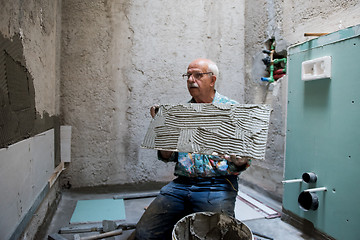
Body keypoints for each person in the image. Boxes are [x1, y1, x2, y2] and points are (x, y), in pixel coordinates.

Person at [134, 58, 251, 240]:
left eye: (198, 75)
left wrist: (234, 157)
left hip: (218, 185)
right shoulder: (181, 112)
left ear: (212, 80)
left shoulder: (232, 111)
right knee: (144, 234)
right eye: (188, 75)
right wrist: (163, 128)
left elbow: (243, 163)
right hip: (182, 184)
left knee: (218, 235)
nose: (190, 80)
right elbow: (167, 156)